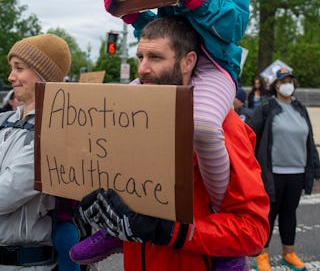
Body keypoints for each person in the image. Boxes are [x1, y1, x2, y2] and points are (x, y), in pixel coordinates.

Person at [70, 17, 270, 271]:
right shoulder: (132, 119)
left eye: (155, 57)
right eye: (140, 57)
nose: (142, 69)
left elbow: (253, 231)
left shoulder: (222, 126)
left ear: (188, 62)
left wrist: (171, 231)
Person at [104, 0, 250, 209]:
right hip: (172, 65)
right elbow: (164, 30)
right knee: (113, 113)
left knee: (202, 126)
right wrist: (130, 13)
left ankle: (221, 209)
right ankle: (121, 205)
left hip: (214, 68)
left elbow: (236, 26)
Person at [0, 33, 79, 271]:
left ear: (43, 75)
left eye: (19, 68)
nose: (10, 77)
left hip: (26, 264)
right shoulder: (6, 121)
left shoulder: (53, 129)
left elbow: (5, 195)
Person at [248, 67, 320, 271]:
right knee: (269, 214)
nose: (287, 84)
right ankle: (261, 254)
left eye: (290, 80)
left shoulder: (300, 108)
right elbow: (251, 135)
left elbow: (310, 140)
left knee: (289, 214)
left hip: (296, 171)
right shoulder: (267, 107)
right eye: (283, 80)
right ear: (276, 85)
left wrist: (316, 168)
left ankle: (288, 253)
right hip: (272, 172)